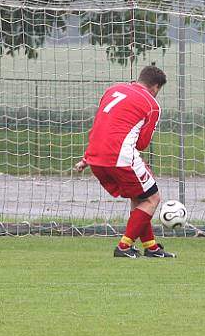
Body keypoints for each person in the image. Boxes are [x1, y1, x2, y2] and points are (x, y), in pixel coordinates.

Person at [74, 65, 175, 258]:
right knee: (152, 199)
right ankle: (124, 245)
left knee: (138, 197)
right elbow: (142, 143)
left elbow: (103, 125)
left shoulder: (113, 90)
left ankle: (151, 247)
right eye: (158, 91)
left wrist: (86, 158)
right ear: (155, 87)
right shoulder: (152, 105)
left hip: (96, 157)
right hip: (120, 157)